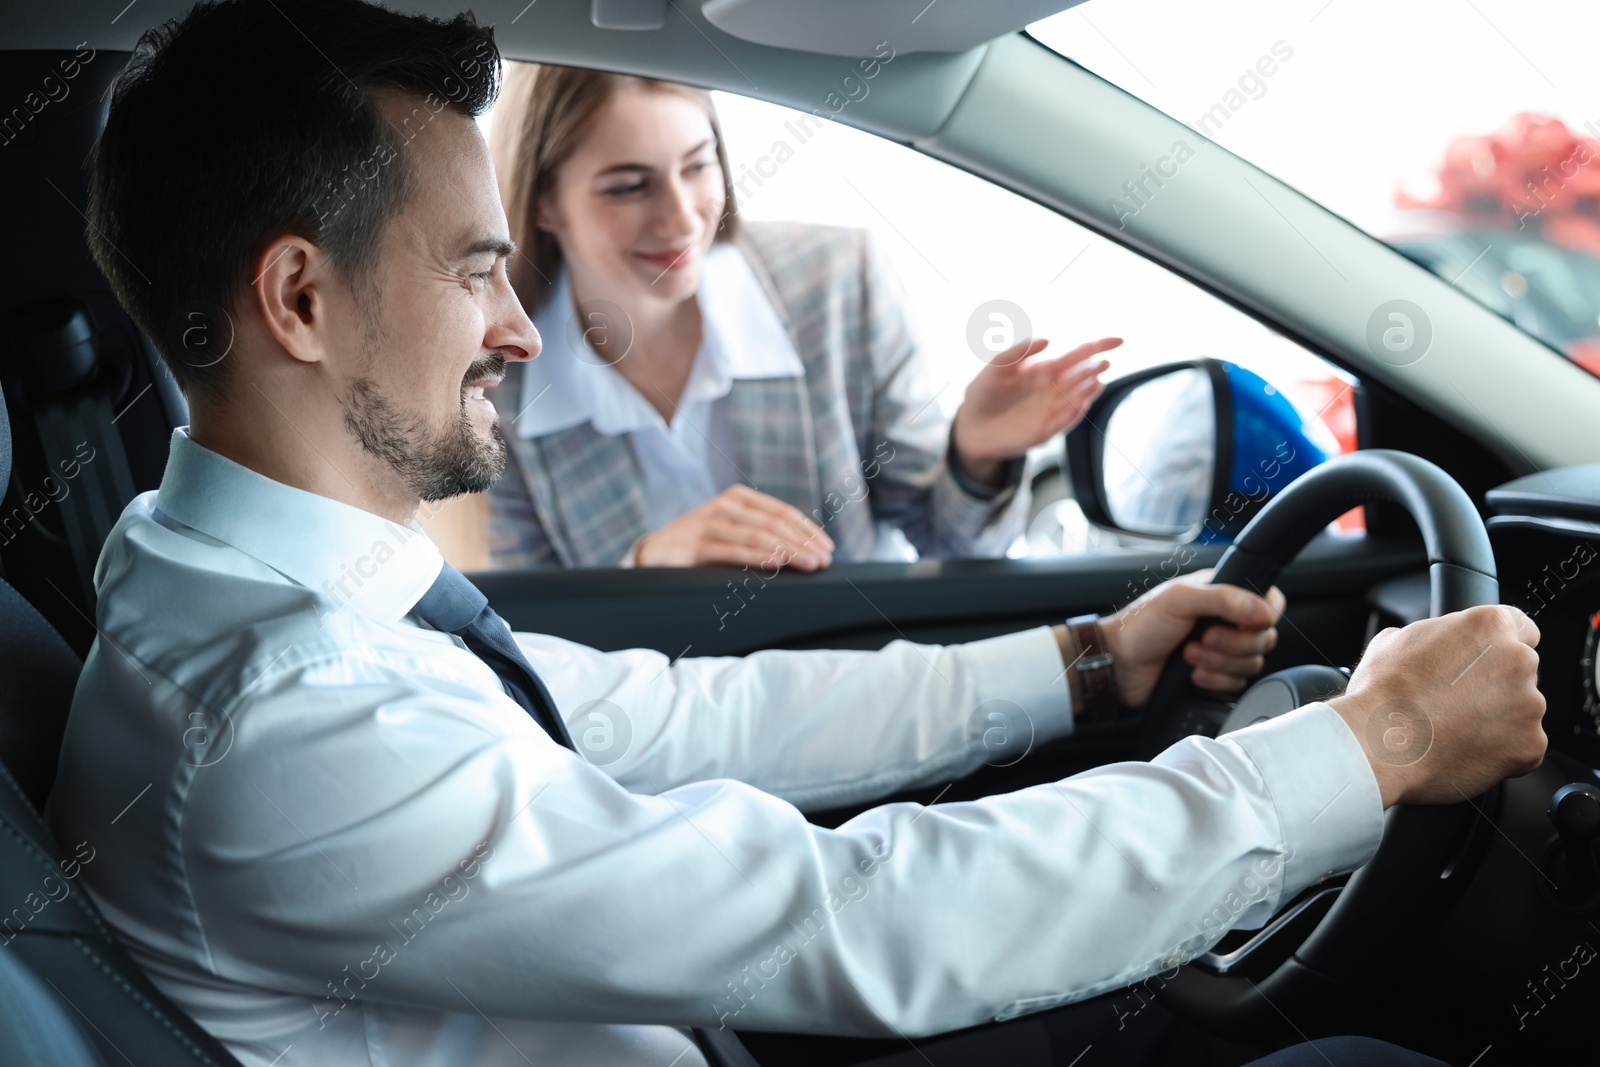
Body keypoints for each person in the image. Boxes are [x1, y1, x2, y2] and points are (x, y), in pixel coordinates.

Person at [48, 3, 1545, 1066]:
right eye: (474, 269)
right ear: (299, 300)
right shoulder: (293, 710)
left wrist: (1087, 661)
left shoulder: (233, 576)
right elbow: (854, 916)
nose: (517, 327)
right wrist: (1374, 745)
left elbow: (688, 709)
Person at [482, 62, 1120, 569]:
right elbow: (542, 643)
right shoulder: (497, 380)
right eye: (628, 186)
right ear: (543, 203)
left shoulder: (839, 282)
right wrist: (645, 562)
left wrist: (975, 454)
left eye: (697, 166)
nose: (681, 218)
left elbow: (950, 545)